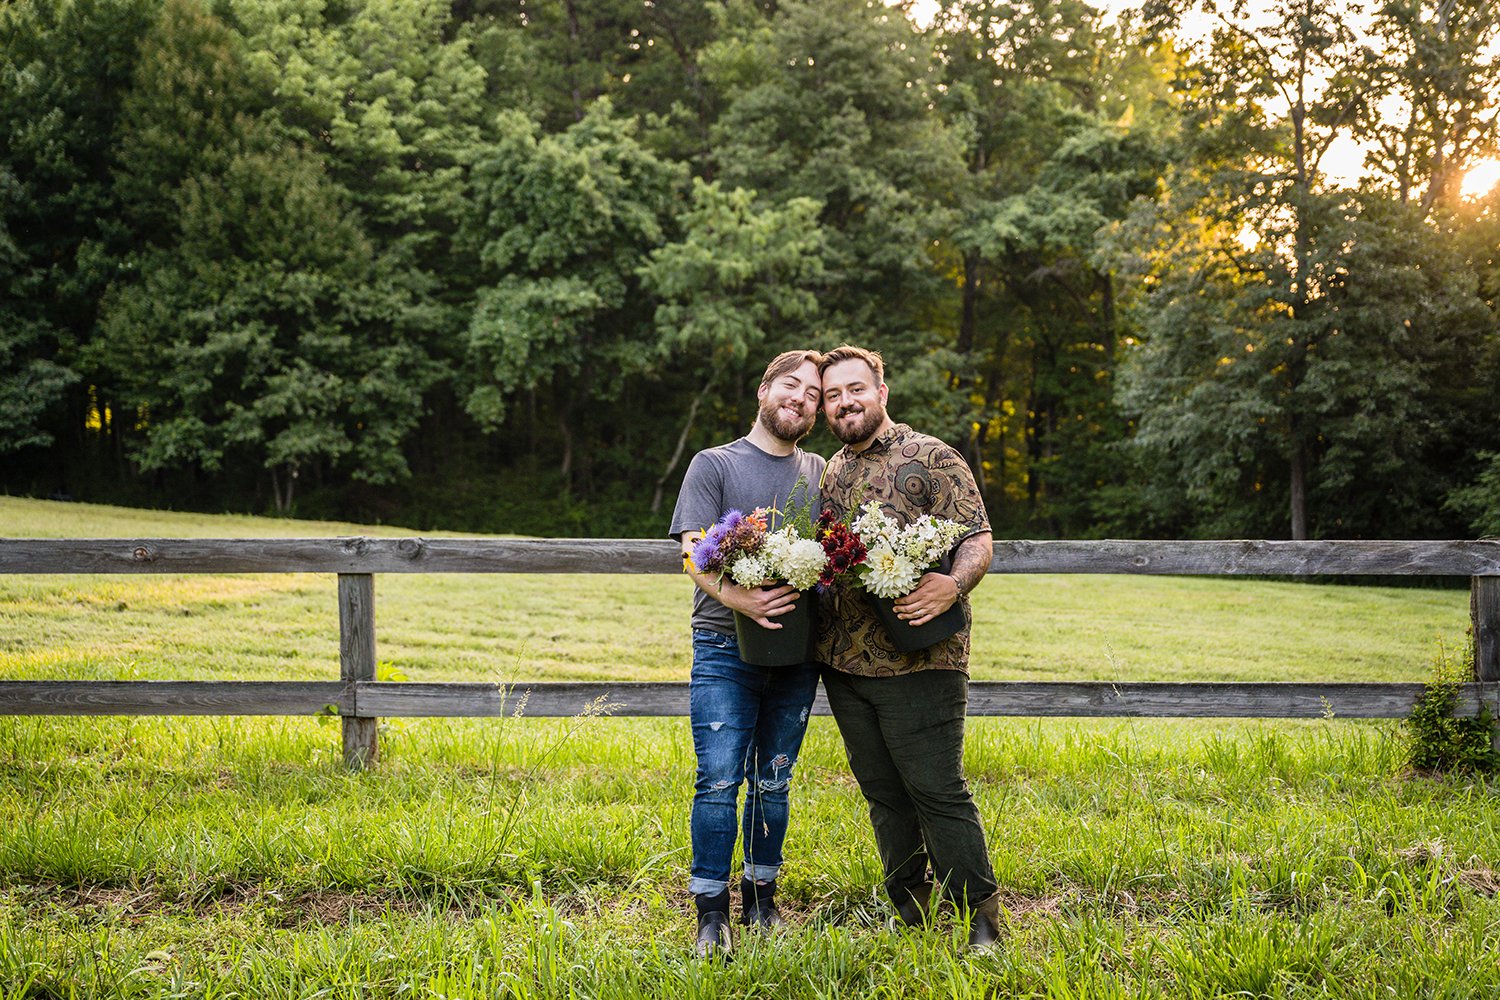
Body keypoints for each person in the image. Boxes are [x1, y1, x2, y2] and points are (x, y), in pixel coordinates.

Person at [814, 344, 1003, 950]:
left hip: (922, 659)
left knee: (937, 790)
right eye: (833, 395)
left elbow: (977, 537)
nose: (845, 402)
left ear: (881, 392)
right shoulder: (832, 472)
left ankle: (980, 916)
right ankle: (911, 910)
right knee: (884, 796)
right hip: (845, 662)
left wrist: (952, 583)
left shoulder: (931, 456)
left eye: (855, 389)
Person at [668, 349, 827, 959]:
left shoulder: (819, 471)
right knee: (718, 781)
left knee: (774, 782)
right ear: (764, 390)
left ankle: (762, 901)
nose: (802, 399)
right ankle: (711, 914)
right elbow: (692, 551)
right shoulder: (714, 464)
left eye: (813, 395)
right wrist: (741, 597)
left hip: (795, 652)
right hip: (721, 645)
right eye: (792, 386)